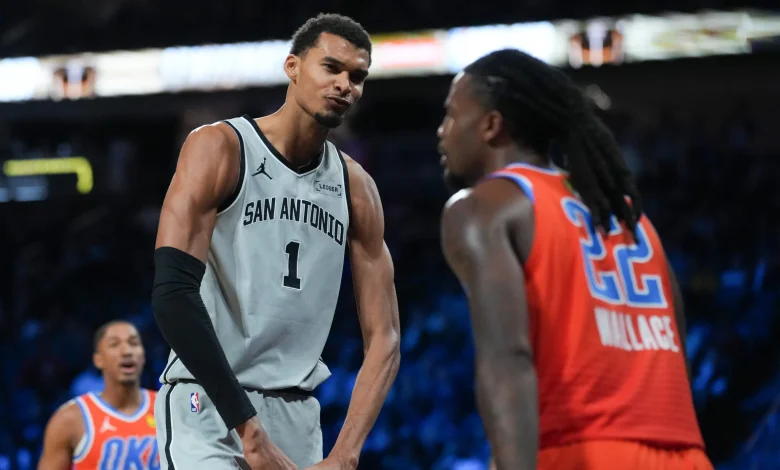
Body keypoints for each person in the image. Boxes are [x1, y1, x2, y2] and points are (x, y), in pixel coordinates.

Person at [437, 49, 712, 470]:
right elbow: (677, 352)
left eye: (452, 115)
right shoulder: (626, 213)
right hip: (684, 453)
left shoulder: (482, 207)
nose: (442, 131)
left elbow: (508, 360)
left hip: (581, 449)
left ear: (492, 126)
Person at [151, 13, 400, 470]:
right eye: (332, 68)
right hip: (209, 404)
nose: (345, 85)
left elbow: (385, 337)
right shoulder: (220, 147)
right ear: (293, 67)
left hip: (297, 415)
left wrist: (345, 455)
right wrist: (248, 429)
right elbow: (171, 295)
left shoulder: (356, 188)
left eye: (358, 77)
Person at [38, 320, 158, 470]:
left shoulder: (168, 408)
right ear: (98, 359)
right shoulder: (69, 420)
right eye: (114, 344)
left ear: (143, 355)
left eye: (134, 343)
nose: (127, 351)